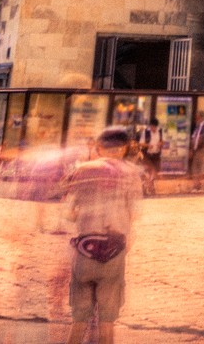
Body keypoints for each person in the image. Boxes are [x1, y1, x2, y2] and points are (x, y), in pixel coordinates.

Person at [59, 127, 144, 344]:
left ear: (98, 147)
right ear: (124, 148)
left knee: (79, 319)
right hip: (114, 250)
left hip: (85, 248)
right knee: (107, 319)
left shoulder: (82, 169)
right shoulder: (131, 173)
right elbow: (135, 214)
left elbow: (68, 214)